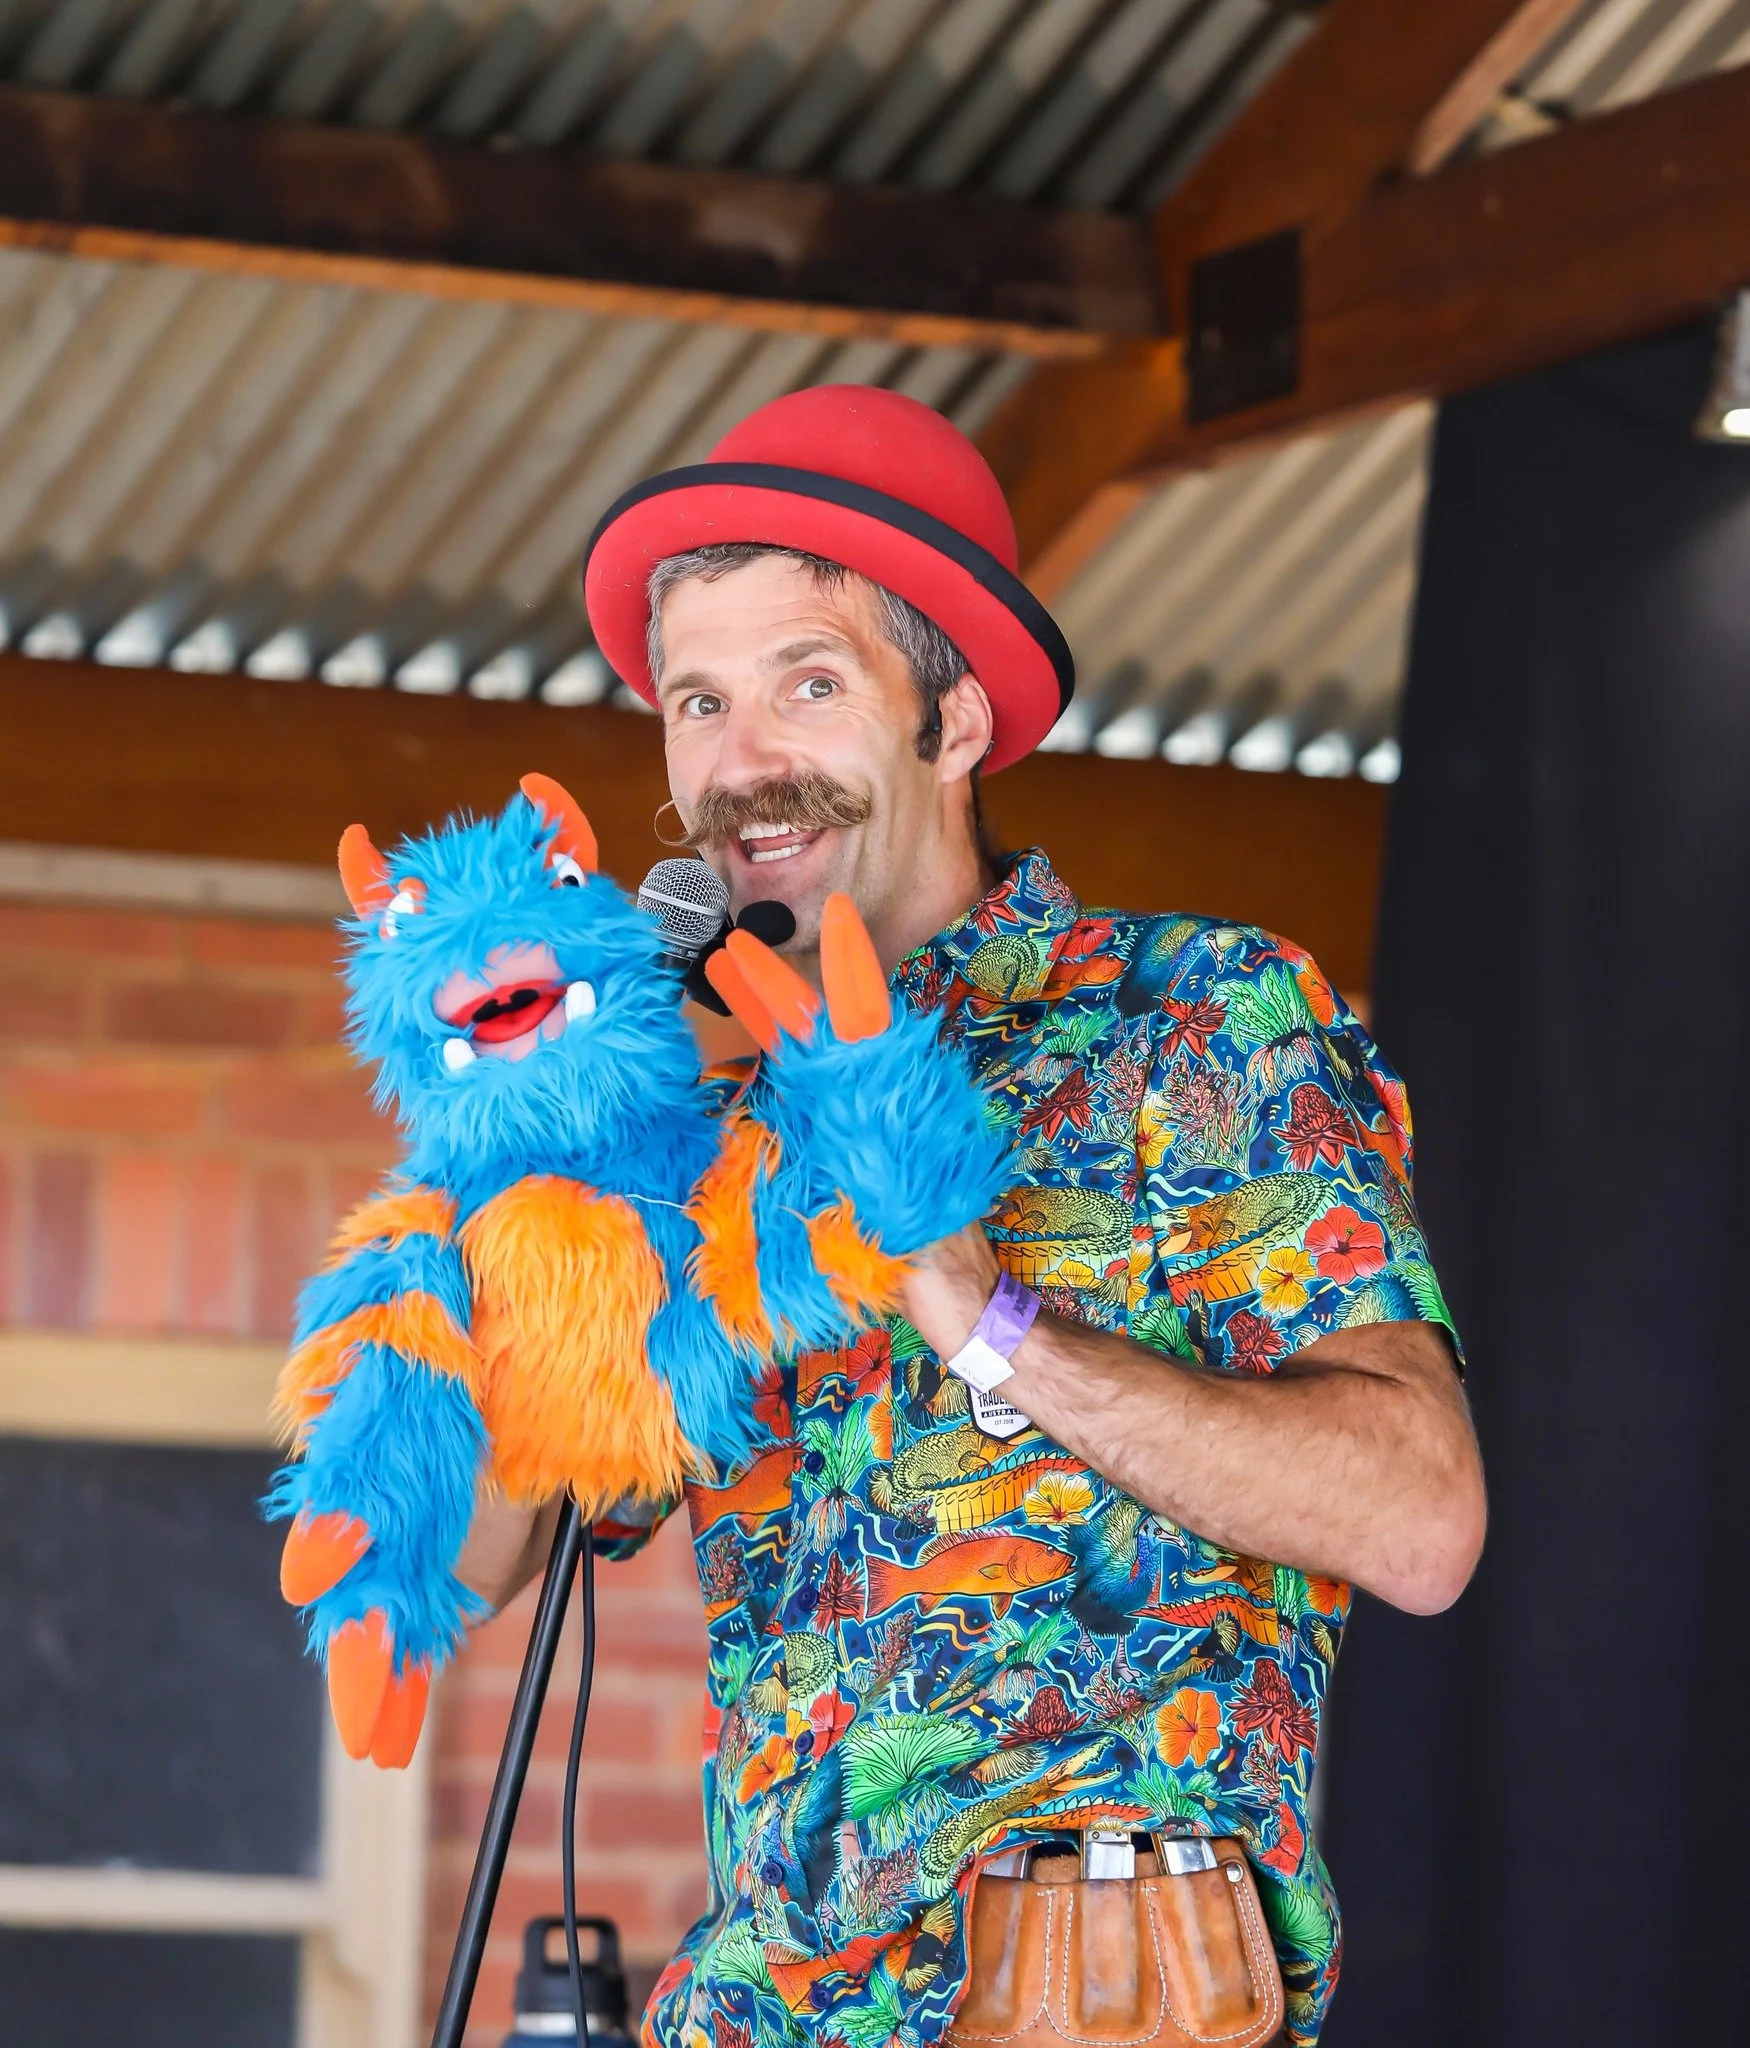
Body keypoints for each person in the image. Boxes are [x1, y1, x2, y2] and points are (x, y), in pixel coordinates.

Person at [457, 386, 1486, 2046]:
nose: (742, 762)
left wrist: (992, 1321)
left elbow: (1422, 1525)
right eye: (695, 701)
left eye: (809, 682)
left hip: (1085, 1995)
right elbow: (467, 1564)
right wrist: (531, 1216)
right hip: (763, 2009)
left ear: (954, 720)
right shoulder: (697, 1144)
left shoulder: (1194, 1020)